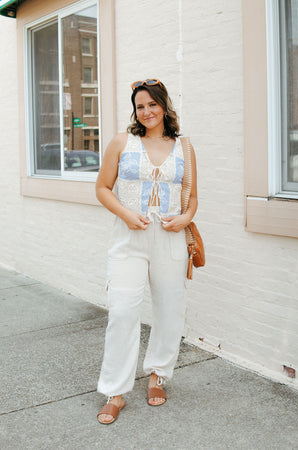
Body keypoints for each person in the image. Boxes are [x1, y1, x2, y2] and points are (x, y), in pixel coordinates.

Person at [95, 79, 198, 424]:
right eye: (140, 106)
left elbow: (192, 196)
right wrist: (126, 214)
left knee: (170, 310)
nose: (147, 111)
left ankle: (158, 375)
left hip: (169, 237)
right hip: (129, 237)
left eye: (153, 104)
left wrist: (183, 218)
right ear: (135, 110)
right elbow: (102, 188)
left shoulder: (184, 146)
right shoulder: (123, 142)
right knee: (123, 311)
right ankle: (115, 391)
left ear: (164, 106)